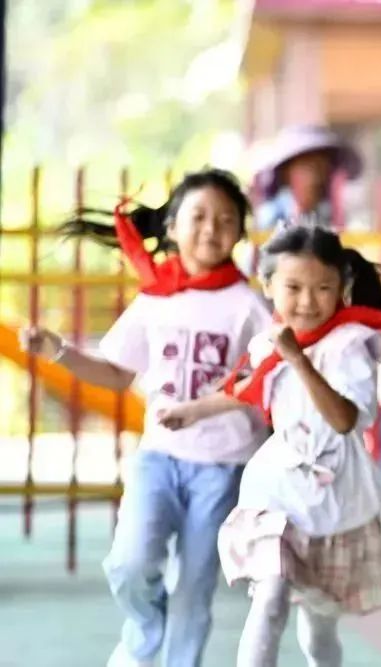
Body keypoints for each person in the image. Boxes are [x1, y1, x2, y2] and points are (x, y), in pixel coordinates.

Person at [20, 168, 272, 667]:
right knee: (129, 563)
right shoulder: (155, 300)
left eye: (226, 219)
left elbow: (268, 379)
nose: (210, 229)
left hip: (225, 467)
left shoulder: (248, 305)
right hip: (158, 458)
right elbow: (116, 373)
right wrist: (58, 351)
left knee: (194, 587)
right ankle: (142, 634)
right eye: (198, 217)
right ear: (172, 227)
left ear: (240, 233)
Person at [159, 223, 381, 667]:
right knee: (270, 596)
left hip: (336, 501)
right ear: (268, 285)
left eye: (323, 288)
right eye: (293, 287)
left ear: (342, 289)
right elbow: (246, 389)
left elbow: (344, 420)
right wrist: (193, 410)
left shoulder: (350, 346)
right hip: (278, 490)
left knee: (318, 631)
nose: (307, 301)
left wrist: (298, 359)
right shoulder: (269, 343)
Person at [253, 125, 362, 230]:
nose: (316, 177)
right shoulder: (272, 215)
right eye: (307, 167)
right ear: (285, 173)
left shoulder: (328, 214)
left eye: (321, 168)